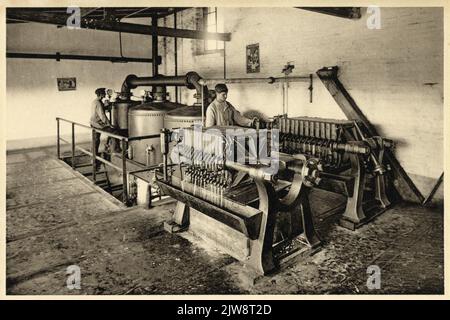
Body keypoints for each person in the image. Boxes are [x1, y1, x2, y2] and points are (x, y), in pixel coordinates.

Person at [90, 88, 114, 166]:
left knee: (96, 140)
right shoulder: (98, 103)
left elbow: (102, 110)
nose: (105, 94)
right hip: (98, 124)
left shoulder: (95, 101)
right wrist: (109, 124)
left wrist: (107, 106)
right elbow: (102, 116)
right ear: (100, 95)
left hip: (93, 123)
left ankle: (94, 157)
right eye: (104, 93)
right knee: (114, 132)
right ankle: (112, 148)